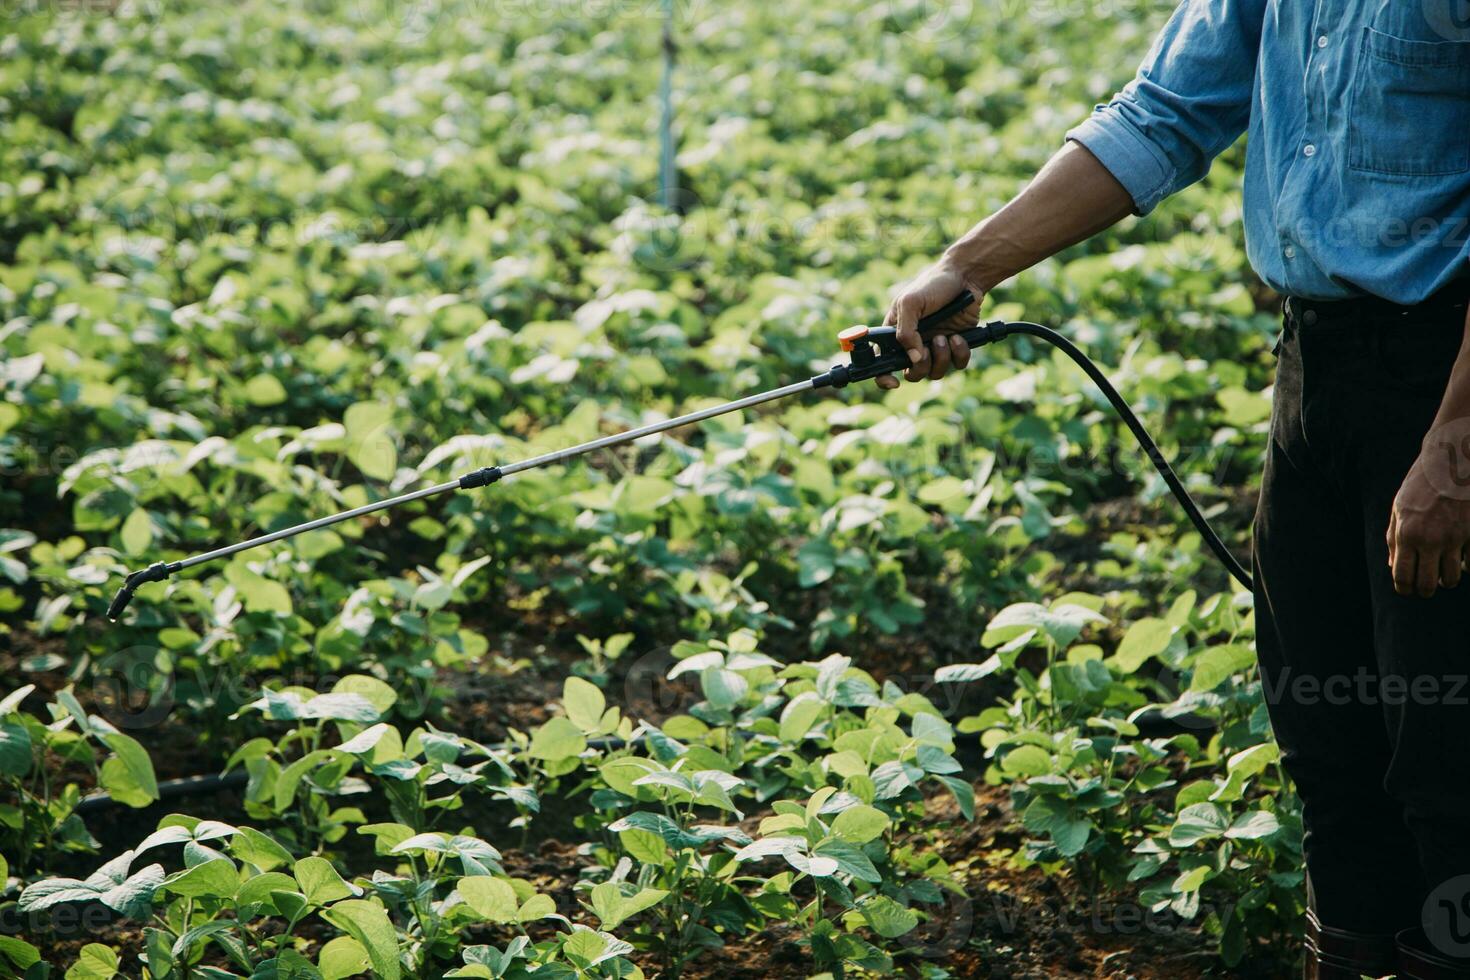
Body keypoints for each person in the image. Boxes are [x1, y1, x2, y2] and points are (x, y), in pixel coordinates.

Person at [880, 4, 1470, 978]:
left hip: (1445, 378)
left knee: (1450, 768)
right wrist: (966, 266)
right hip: (1315, 370)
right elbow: (1166, 110)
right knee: (1330, 752)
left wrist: (1455, 445)